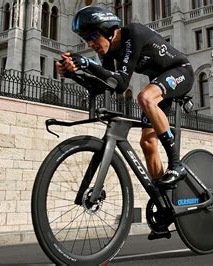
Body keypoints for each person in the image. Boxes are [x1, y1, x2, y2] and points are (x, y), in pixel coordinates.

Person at [56, 6, 194, 189]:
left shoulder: (133, 34)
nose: (89, 44)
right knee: (147, 143)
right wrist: (72, 73)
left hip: (181, 71)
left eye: (91, 37)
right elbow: (109, 86)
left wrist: (86, 63)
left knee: (145, 97)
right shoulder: (108, 52)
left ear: (107, 31)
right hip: (159, 82)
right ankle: (165, 200)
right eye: (85, 39)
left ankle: (176, 164)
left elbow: (121, 83)